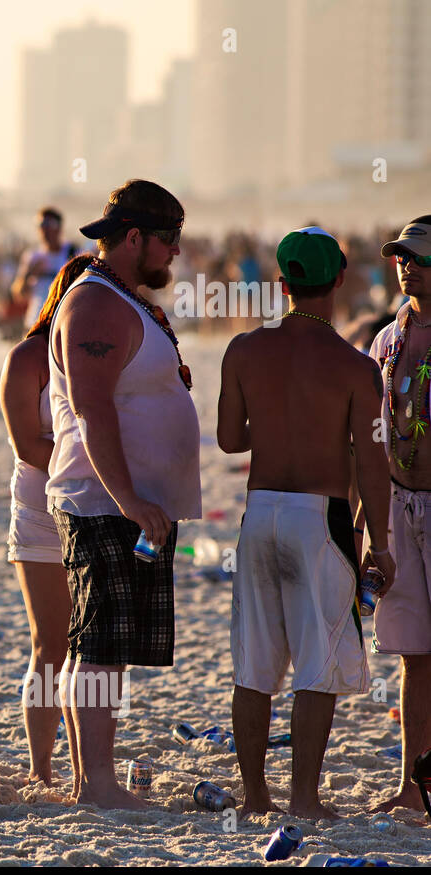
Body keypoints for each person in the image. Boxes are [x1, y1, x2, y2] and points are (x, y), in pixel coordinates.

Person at [219, 227, 393, 820]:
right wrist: (382, 546)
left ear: (282, 283)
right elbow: (374, 465)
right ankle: (303, 799)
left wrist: (274, 427)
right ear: (340, 280)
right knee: (316, 664)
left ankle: (255, 797)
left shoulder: (243, 349)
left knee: (256, 664)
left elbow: (227, 439)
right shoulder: (354, 366)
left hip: (260, 510)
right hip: (319, 519)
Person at [45, 180, 200, 809]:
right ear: (133, 237)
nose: (175, 255)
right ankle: (98, 785)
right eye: (169, 241)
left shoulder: (121, 300)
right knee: (100, 646)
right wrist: (131, 498)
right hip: (103, 501)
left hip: (127, 503)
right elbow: (91, 409)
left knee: (105, 645)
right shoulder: (95, 305)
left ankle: (93, 780)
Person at [0, 253, 93, 790]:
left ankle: (88, 767)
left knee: (94, 645)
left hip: (96, 507)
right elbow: (26, 445)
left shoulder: (97, 357)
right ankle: (41, 766)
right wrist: (90, 462)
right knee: (49, 644)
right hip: (41, 509)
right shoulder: (29, 356)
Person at [366, 217, 431, 813]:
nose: (406, 265)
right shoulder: (387, 340)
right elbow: (370, 439)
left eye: (417, 256)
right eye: (399, 257)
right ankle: (414, 788)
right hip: (398, 503)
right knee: (414, 653)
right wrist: (370, 529)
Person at [12, 207, 77, 330]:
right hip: (35, 323)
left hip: (62, 323)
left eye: (49, 224)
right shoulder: (32, 257)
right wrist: (28, 275)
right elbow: (19, 295)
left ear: (59, 228)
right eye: (41, 224)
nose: (44, 229)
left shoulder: (72, 253)